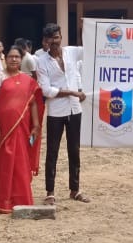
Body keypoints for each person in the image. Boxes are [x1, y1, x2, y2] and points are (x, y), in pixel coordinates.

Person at [30, 23, 89, 207]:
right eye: (50, 39)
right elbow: (46, 90)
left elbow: (91, 47)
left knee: (75, 150)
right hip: (56, 110)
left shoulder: (71, 52)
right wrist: (72, 92)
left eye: (57, 37)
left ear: (61, 37)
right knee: (53, 151)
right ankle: (50, 192)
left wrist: (85, 28)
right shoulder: (41, 61)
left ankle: (75, 189)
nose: (54, 42)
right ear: (45, 41)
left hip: (75, 109)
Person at [0, 40, 43, 213]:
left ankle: (20, 198)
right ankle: (1, 199)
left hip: (22, 128)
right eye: (10, 57)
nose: (14, 60)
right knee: (4, 162)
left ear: (21, 59)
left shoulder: (27, 80)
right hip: (3, 127)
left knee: (20, 162)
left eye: (17, 57)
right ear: (5, 59)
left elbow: (32, 104)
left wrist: (36, 124)